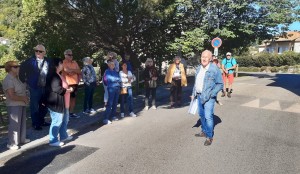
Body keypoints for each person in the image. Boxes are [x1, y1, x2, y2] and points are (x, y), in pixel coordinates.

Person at [192, 50, 223, 146]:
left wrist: (212, 94)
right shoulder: (198, 68)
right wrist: (193, 94)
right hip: (199, 95)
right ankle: (204, 131)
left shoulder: (214, 69)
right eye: (202, 56)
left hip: (209, 97)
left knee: (208, 116)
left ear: (210, 59)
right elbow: (196, 83)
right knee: (201, 115)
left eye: (206, 57)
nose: (204, 58)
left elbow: (220, 84)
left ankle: (209, 137)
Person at [19, 44, 51, 130]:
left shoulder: (48, 61)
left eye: (40, 51)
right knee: (34, 106)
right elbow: (21, 70)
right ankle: (36, 123)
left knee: (45, 106)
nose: (38, 52)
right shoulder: (30, 61)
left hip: (45, 87)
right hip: (34, 87)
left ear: (44, 52)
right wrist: (24, 81)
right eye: (36, 51)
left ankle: (41, 120)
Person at [45, 58, 74, 147]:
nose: (63, 65)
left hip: (64, 103)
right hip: (56, 103)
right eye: (61, 63)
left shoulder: (58, 74)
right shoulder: (53, 75)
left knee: (65, 120)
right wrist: (69, 90)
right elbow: (57, 89)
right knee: (57, 121)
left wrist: (68, 90)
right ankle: (53, 140)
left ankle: (63, 136)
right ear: (56, 65)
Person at [2, 61, 30, 150]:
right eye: (16, 66)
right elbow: (12, 96)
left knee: (21, 122)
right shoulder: (8, 79)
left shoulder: (17, 78)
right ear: (10, 68)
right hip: (14, 105)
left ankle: (21, 139)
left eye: (18, 66)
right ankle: (11, 143)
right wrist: (24, 98)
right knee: (14, 124)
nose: (18, 67)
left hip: (21, 103)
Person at [62, 49, 81, 118]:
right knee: (66, 99)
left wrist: (72, 70)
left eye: (72, 55)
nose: (71, 56)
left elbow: (79, 71)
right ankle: (65, 114)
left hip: (75, 83)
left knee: (73, 98)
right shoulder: (63, 62)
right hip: (67, 83)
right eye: (69, 55)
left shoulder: (74, 62)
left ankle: (71, 113)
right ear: (65, 55)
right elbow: (66, 71)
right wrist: (73, 71)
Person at [102, 60, 121, 125]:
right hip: (111, 88)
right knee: (110, 103)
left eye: (114, 64)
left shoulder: (115, 71)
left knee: (115, 103)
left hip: (117, 88)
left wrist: (116, 79)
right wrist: (116, 79)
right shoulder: (107, 71)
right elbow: (110, 79)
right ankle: (105, 118)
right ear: (109, 65)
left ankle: (113, 116)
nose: (113, 65)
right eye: (112, 64)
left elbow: (119, 78)